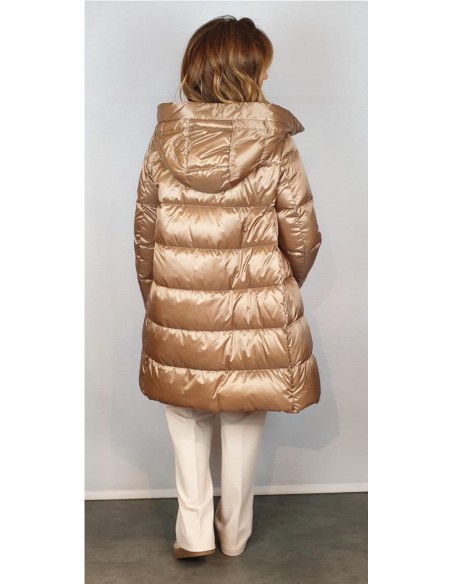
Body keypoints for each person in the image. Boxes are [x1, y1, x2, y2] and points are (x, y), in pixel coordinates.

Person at [133, 15, 323, 559]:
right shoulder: (275, 141)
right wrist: (276, 287)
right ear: (249, 71)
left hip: (177, 305)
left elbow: (144, 235)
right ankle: (234, 533)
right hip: (253, 311)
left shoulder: (163, 140)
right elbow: (303, 237)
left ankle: (192, 532)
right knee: (241, 414)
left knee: (185, 413)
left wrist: (160, 298)